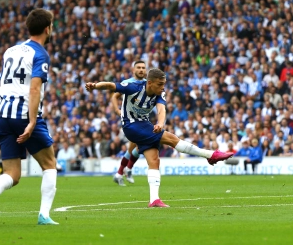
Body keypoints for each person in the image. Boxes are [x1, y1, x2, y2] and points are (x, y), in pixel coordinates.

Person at [85, 68, 233, 208]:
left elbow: (161, 110)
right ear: (150, 83)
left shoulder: (159, 94)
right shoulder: (133, 87)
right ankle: (210, 155)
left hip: (145, 124)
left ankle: (154, 199)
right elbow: (111, 85)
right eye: (160, 84)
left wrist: (160, 123)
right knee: (171, 139)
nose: (163, 87)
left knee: (154, 160)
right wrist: (95, 86)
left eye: (164, 84)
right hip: (131, 126)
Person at [0, 9, 58, 225]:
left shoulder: (10, 51)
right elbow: (34, 90)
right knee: (50, 164)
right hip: (23, 114)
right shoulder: (40, 54)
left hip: (3, 114)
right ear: (47, 28)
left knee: (12, 175)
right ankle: (44, 215)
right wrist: (32, 121)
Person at [111, 60, 147, 186]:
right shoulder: (128, 83)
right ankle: (125, 170)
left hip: (143, 119)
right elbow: (115, 96)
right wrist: (117, 110)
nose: (141, 70)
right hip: (131, 120)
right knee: (137, 146)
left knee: (136, 147)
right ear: (133, 70)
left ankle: (122, 172)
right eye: (138, 67)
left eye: (143, 67)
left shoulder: (148, 84)